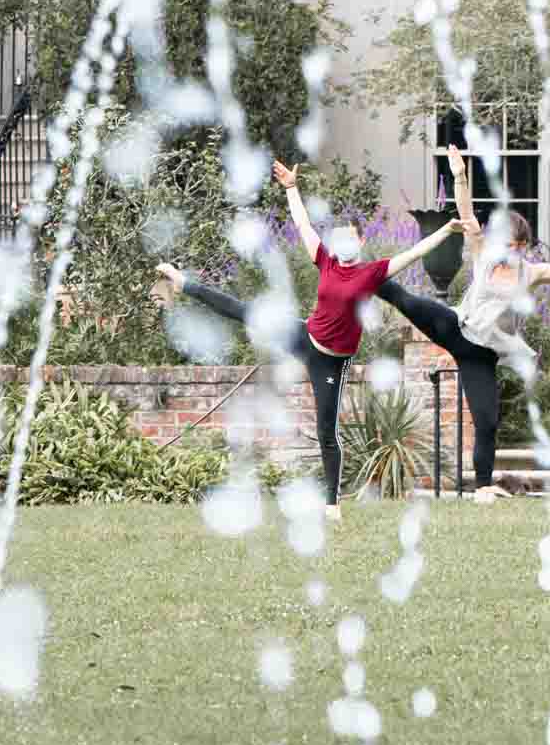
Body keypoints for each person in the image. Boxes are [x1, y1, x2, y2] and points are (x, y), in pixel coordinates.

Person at [156, 159, 458, 520]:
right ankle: (183, 282)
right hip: (305, 335)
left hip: (331, 360)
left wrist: (447, 230)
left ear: (362, 241)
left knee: (326, 429)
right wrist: (291, 188)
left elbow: (415, 253)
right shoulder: (326, 261)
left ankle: (332, 504)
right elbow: (302, 224)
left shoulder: (372, 274)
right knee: (244, 312)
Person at [383, 143, 550, 502]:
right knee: (408, 299)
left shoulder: (532, 271)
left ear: (526, 247)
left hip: (481, 355)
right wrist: (461, 176)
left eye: (519, 247)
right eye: (508, 245)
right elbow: (465, 213)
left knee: (487, 421)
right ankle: (357, 277)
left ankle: (483, 487)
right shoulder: (483, 254)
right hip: (457, 329)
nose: (512, 252)